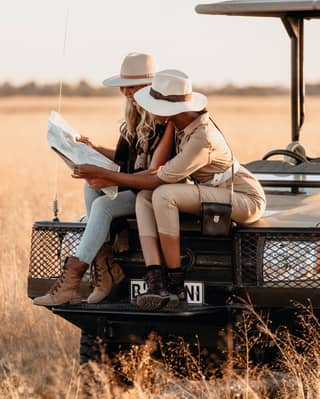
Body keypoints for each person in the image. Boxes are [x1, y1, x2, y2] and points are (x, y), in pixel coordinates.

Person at [70, 69, 266, 311]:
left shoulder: (201, 137)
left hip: (244, 198)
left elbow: (157, 180)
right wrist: (104, 168)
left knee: (163, 194)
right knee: (145, 198)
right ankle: (155, 280)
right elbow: (153, 173)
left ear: (170, 109)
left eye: (154, 105)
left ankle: (176, 285)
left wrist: (105, 175)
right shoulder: (180, 124)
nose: (148, 112)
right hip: (210, 191)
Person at [33, 53, 175, 306]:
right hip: (136, 182)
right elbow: (125, 159)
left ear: (148, 86)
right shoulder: (135, 115)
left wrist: (104, 175)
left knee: (102, 204)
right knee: (91, 190)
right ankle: (104, 267)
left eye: (132, 87)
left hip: (154, 190)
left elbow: (154, 172)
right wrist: (93, 148)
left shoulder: (164, 119)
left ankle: (74, 278)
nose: (126, 92)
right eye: (124, 87)